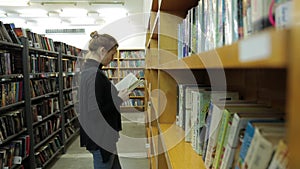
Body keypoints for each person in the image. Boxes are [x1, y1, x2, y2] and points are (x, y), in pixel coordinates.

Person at [78, 31, 131, 169]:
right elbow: (95, 112)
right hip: (101, 138)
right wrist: (118, 99)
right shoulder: (95, 75)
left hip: (102, 137)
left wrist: (114, 95)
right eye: (112, 54)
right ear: (102, 51)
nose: (112, 58)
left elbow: (98, 100)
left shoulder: (89, 71)